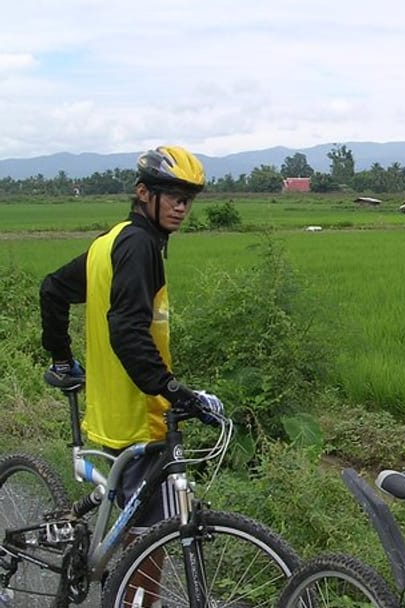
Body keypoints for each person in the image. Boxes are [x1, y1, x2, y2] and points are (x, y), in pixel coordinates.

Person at [39, 145, 223, 536]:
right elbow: (126, 330)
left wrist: (61, 359)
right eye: (174, 197)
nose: (182, 208)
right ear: (144, 193)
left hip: (111, 415)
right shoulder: (140, 246)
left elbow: (52, 289)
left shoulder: (108, 242)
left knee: (132, 534)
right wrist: (175, 392)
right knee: (154, 541)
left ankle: (117, 585)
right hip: (144, 420)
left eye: (187, 200)